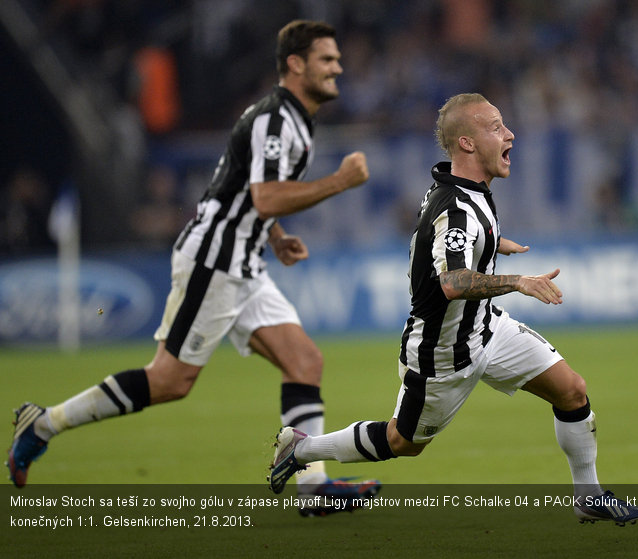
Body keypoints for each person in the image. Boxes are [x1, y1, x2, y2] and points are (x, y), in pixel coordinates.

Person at [7, 20, 380, 517]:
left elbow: (242, 190)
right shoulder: (276, 119)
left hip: (244, 259)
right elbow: (264, 194)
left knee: (305, 361)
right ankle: (43, 423)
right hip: (215, 259)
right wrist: (338, 181)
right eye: (327, 60)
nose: (338, 68)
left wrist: (274, 235)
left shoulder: (293, 121)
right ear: (296, 64)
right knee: (169, 381)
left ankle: (312, 486)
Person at [267, 93, 638, 526]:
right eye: (496, 127)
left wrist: (493, 243)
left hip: (487, 329)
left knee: (572, 390)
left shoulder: (464, 188)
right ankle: (300, 449)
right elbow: (452, 282)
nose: (510, 134)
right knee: (402, 442)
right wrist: (518, 281)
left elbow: (436, 242)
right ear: (466, 143)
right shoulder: (455, 208)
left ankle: (589, 495)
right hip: (442, 351)